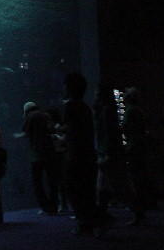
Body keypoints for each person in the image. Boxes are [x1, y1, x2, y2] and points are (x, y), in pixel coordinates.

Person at [61, 73, 103, 235]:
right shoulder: (85, 107)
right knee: (86, 190)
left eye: (65, 85)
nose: (63, 88)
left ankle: (91, 221)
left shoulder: (70, 106)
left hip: (76, 154)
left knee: (74, 189)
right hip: (88, 153)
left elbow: (72, 132)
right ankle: (88, 223)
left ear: (70, 88)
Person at [93, 84, 137, 222]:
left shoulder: (106, 111)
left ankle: (102, 215)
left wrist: (106, 153)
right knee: (115, 184)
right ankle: (103, 214)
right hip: (111, 152)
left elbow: (108, 134)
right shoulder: (110, 110)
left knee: (109, 185)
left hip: (108, 152)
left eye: (97, 94)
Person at [13, 102, 58, 215]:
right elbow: (52, 129)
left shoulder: (30, 116)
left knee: (37, 181)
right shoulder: (45, 115)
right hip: (50, 151)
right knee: (52, 180)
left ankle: (45, 206)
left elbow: (25, 132)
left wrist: (17, 136)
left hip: (36, 154)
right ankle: (54, 206)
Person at [122, 88, 148, 224]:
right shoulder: (139, 111)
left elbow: (125, 128)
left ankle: (137, 211)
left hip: (133, 146)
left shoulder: (130, 111)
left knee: (134, 179)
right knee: (139, 177)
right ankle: (141, 208)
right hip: (140, 146)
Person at [45, 107, 69, 213]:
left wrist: (55, 137)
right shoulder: (50, 127)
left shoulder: (59, 127)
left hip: (61, 154)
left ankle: (63, 204)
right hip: (54, 154)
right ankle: (60, 204)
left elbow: (65, 139)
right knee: (57, 181)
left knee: (61, 181)